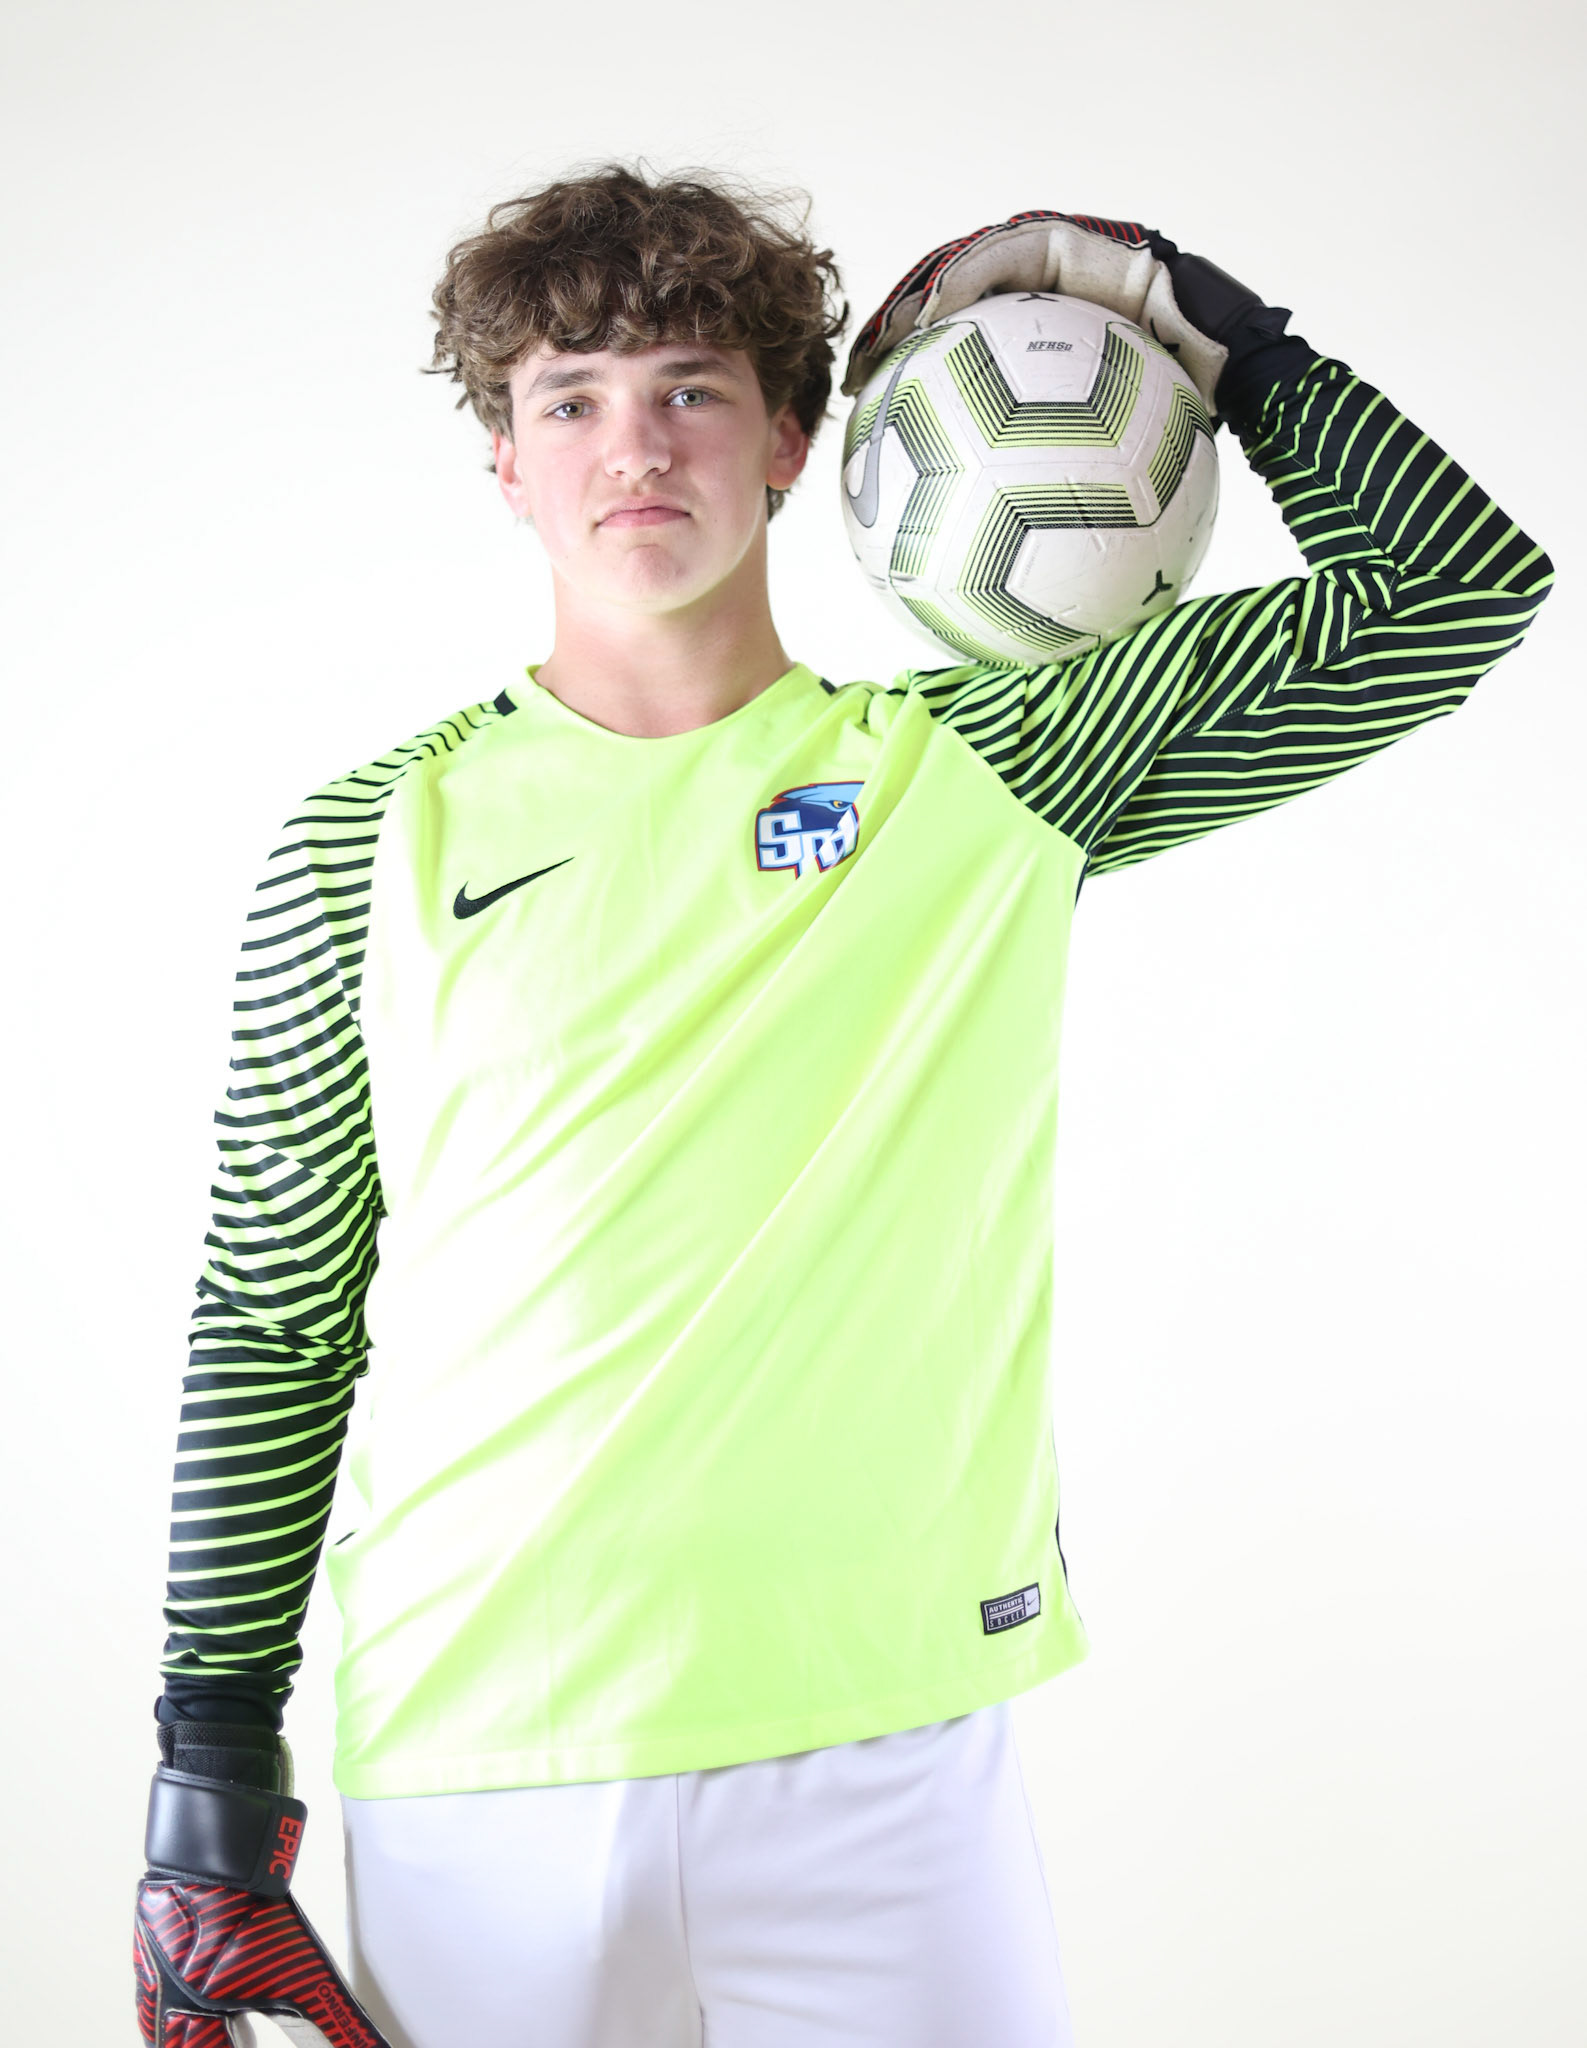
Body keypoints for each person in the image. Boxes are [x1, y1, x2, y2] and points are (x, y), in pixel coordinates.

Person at [133, 166, 1553, 2048]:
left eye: (692, 389)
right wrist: (207, 1763)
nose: (634, 444)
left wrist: (1218, 333)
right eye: (571, 398)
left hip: (888, 1758)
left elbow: (1458, 586)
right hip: (485, 1760)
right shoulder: (365, 843)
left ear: (799, 441)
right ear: (505, 463)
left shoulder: (994, 772)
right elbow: (275, 1309)